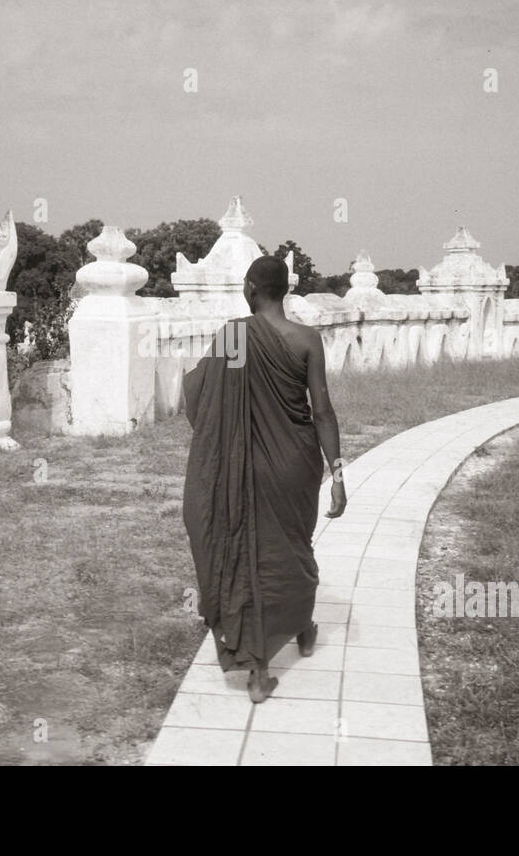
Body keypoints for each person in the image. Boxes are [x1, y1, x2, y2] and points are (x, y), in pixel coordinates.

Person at [181, 255, 347, 703]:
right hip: (296, 462)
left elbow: (199, 397)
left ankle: (257, 670)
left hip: (246, 463)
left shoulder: (235, 336)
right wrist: (337, 474)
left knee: (247, 554)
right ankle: (305, 627)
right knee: (293, 548)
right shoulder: (308, 339)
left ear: (251, 288)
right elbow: (324, 411)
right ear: (286, 289)